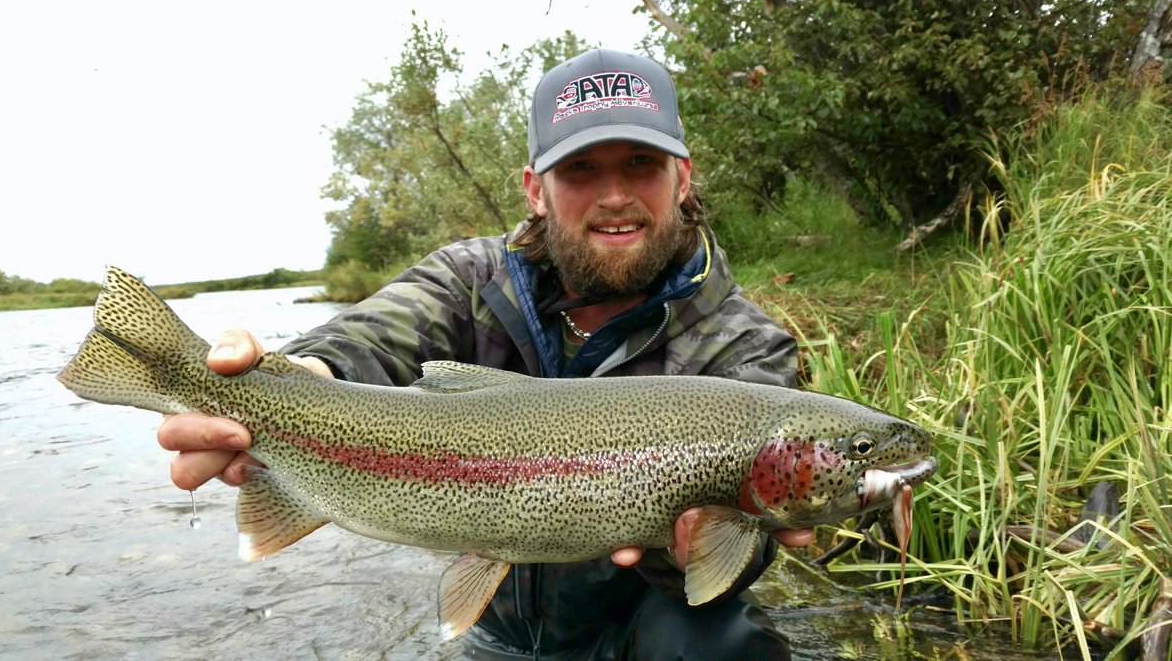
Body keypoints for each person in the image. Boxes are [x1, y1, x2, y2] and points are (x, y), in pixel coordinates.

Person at [158, 48, 811, 659]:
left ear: (683, 177)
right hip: (498, 633)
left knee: (728, 642)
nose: (614, 195)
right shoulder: (470, 281)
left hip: (639, 627)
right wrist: (297, 382)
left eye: (640, 163)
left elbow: (743, 554)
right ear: (535, 188)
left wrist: (702, 542)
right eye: (581, 169)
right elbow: (369, 338)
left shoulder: (745, 346)